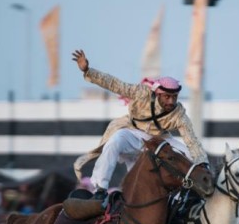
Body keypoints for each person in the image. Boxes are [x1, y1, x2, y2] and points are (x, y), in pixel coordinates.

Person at [71, 49, 209, 199]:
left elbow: (192, 142)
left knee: (188, 154)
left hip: (157, 140)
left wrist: (204, 165)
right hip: (132, 132)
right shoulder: (142, 93)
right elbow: (114, 84)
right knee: (114, 141)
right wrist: (88, 71)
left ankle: (186, 195)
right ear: (157, 94)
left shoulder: (179, 114)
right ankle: (100, 189)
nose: (171, 101)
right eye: (167, 97)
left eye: (174, 97)